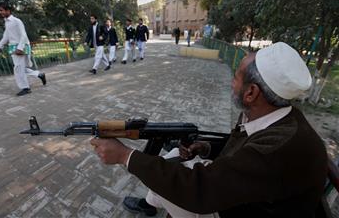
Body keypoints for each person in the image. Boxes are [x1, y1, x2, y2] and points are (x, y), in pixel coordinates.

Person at [90, 42, 328, 217]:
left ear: (251, 92)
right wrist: (206, 148)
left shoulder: (278, 148)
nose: (231, 82)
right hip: (246, 196)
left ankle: (152, 204)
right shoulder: (271, 114)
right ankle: (150, 206)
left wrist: (124, 156)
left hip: (237, 210)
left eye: (236, 76)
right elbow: (246, 152)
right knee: (172, 158)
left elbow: (200, 192)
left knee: (168, 185)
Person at [0, 2, 46, 96]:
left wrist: (20, 48)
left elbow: (23, 35)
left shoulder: (16, 21)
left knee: (18, 68)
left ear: (8, 10)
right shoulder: (7, 23)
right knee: (21, 68)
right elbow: (6, 36)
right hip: (13, 47)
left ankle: (25, 88)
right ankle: (39, 75)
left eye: (1, 10)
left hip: (20, 47)